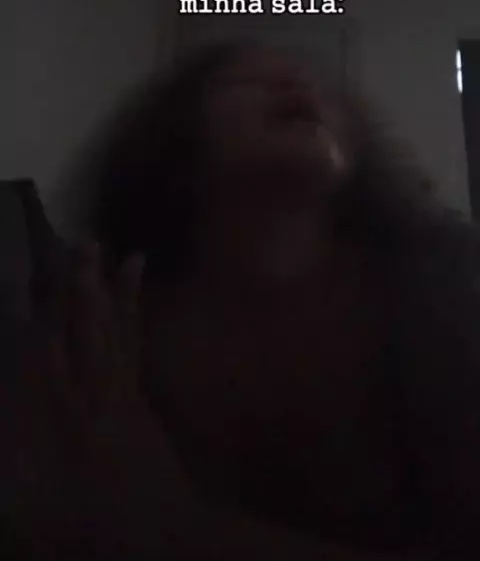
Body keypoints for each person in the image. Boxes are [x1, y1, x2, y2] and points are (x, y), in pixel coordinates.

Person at [3, 40, 480, 559]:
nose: (295, 82)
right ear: (178, 140)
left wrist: (182, 529)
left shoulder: (443, 288)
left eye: (316, 84)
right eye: (242, 80)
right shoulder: (109, 324)